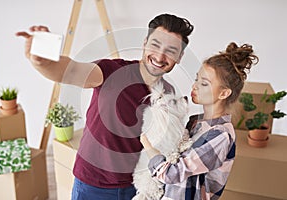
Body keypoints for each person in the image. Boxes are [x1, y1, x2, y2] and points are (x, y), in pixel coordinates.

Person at [16, 13, 194, 200]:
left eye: (171, 50)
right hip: (93, 185)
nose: (160, 56)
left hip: (138, 188)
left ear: (180, 56)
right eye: (155, 45)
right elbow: (72, 71)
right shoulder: (113, 71)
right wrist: (42, 62)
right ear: (145, 43)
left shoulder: (169, 94)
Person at [140, 42, 259, 200]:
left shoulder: (220, 135)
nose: (194, 86)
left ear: (224, 93)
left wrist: (146, 143)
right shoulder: (196, 122)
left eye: (204, 83)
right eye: (197, 79)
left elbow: (172, 173)